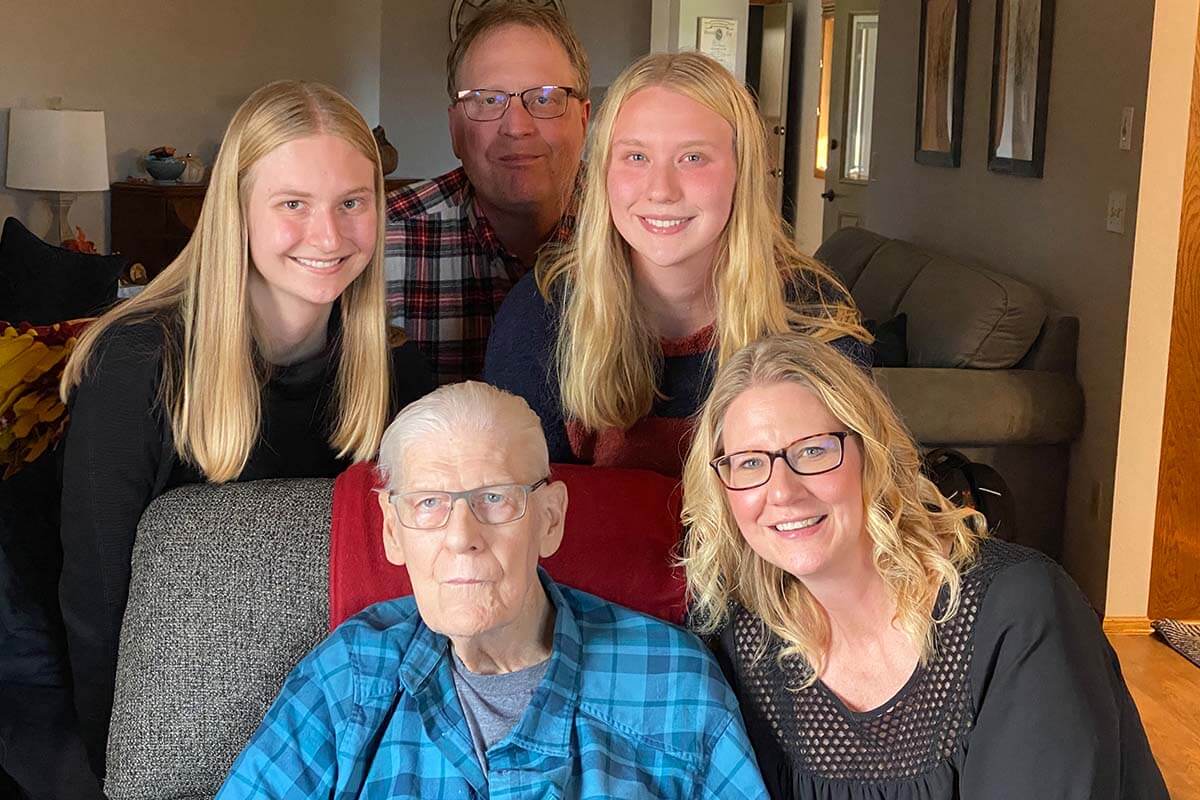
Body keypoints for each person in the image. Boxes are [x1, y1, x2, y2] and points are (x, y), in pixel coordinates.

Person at [56, 80, 434, 779]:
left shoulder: (399, 378)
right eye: (293, 204)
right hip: (160, 737)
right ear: (237, 212)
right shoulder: (138, 367)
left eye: (352, 202)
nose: (327, 235)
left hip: (335, 735)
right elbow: (94, 606)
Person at [219, 381, 767, 798]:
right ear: (392, 529)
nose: (462, 538)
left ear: (550, 519)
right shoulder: (349, 674)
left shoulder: (672, 679)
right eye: (429, 503)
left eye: (496, 499)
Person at [680, 332, 1168, 799]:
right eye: (748, 463)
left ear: (872, 453)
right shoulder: (738, 636)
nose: (782, 491)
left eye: (813, 451)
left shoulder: (1018, 611)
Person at [485, 51, 868, 478]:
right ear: (602, 172)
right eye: (636, 157)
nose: (661, 190)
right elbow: (522, 511)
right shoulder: (539, 317)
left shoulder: (813, 314)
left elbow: (839, 503)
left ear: (744, 171)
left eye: (693, 158)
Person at [385, 4, 590, 384]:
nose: (517, 127)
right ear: (455, 130)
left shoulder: (642, 232)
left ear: (583, 119)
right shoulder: (382, 241)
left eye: (544, 98)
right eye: (487, 99)